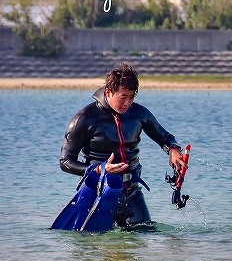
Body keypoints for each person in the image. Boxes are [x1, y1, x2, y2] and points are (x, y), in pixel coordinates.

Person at [59, 62, 186, 228]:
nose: (127, 103)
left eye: (131, 97)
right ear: (108, 91)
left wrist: (173, 149)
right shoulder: (84, 119)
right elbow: (65, 162)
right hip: (98, 193)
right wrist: (100, 169)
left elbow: (165, 137)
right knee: (94, 247)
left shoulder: (139, 114)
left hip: (131, 193)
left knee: (142, 237)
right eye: (123, 97)